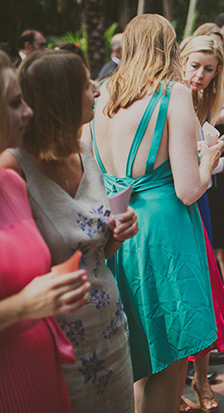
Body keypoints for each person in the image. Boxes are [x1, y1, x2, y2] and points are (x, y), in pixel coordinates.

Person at [84, 15, 222, 412]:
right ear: (169, 46)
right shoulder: (173, 92)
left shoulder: (102, 92)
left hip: (117, 229)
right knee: (170, 354)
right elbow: (189, 188)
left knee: (135, 355)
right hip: (163, 232)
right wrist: (209, 157)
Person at [0, 49, 138, 411]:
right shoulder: (13, 168)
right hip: (58, 341)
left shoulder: (84, 149)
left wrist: (117, 234)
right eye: (86, 83)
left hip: (108, 328)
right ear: (60, 98)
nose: (97, 89)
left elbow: (92, 251)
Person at [0, 50, 89, 413]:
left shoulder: (10, 184)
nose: (28, 112)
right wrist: (23, 306)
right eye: (14, 103)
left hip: (44, 366)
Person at [179, 34, 224, 412]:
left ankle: (201, 379)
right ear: (182, 61)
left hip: (200, 197)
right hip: (183, 199)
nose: (201, 75)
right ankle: (177, 385)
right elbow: (186, 163)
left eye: (209, 69)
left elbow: (201, 154)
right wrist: (220, 159)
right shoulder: (173, 98)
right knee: (187, 289)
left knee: (205, 289)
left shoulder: (202, 100)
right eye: (195, 66)